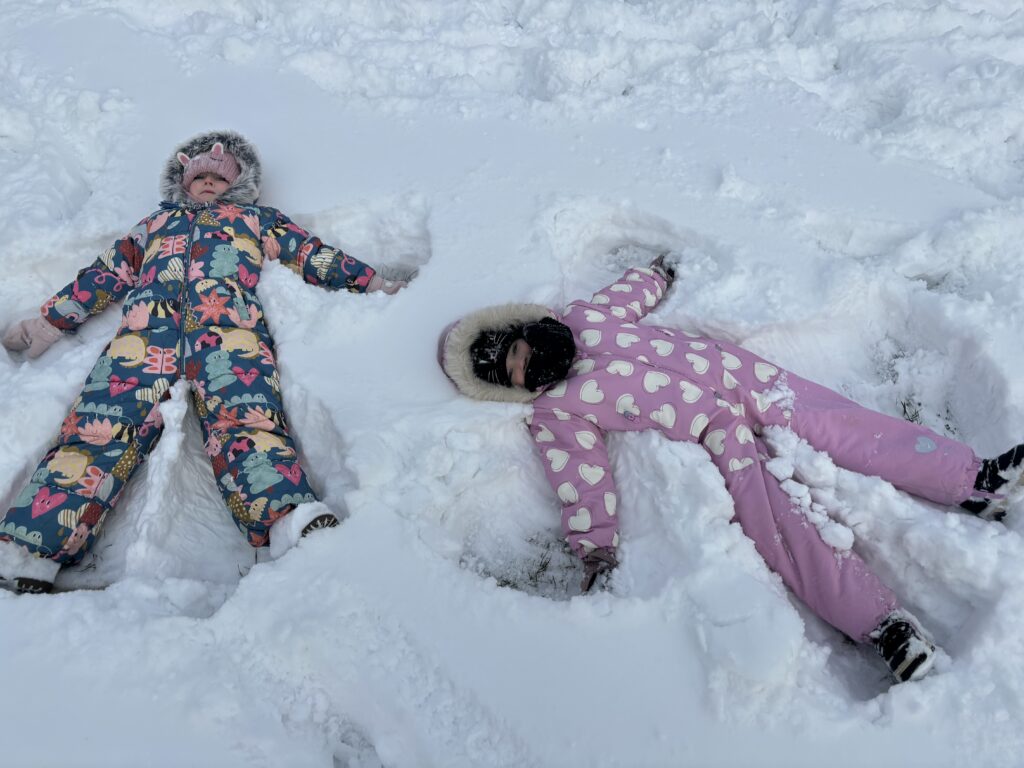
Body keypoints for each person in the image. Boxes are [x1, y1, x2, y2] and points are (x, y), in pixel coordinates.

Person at [436, 255, 1022, 684]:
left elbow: (630, 294)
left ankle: (974, 480)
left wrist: (655, 274)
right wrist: (595, 547)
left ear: (523, 329)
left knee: (848, 427)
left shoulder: (586, 316)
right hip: (718, 433)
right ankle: (884, 626)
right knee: (779, 525)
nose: (529, 363)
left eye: (519, 350)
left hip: (748, 378)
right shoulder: (557, 411)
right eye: (516, 373)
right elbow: (581, 478)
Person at [0, 130, 408, 594]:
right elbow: (104, 274)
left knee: (248, 419)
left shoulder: (257, 220)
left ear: (240, 184)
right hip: (143, 339)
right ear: (183, 183)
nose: (209, 183)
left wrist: (372, 283)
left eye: (220, 177)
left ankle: (287, 518)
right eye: (200, 177)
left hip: (230, 337)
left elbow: (313, 255)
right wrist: (50, 322)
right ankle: (30, 547)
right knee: (99, 427)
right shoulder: (155, 225)